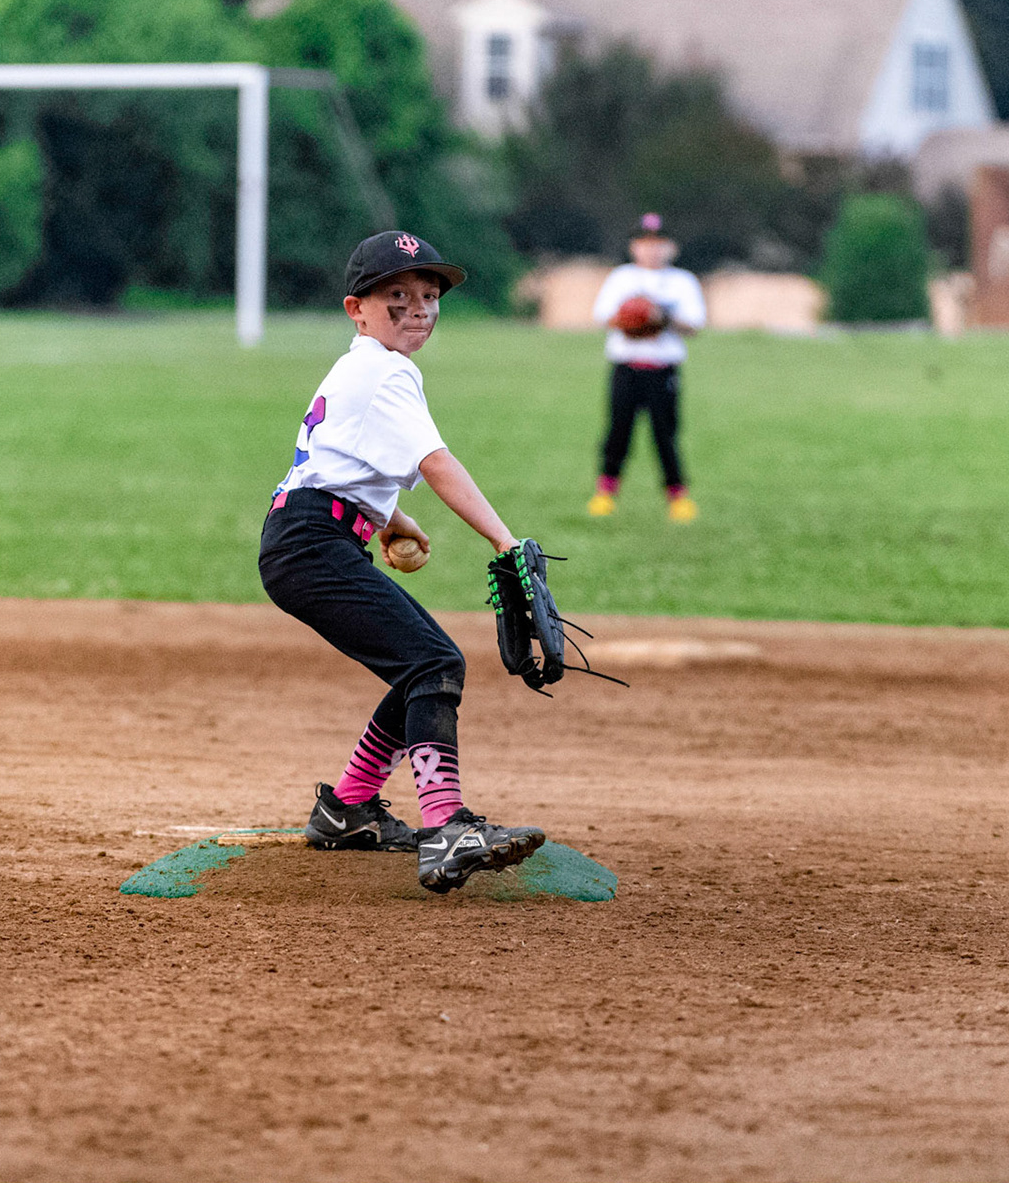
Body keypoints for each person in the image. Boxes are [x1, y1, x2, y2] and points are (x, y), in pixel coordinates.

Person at [259, 230, 547, 894]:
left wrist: (391, 519)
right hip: (311, 544)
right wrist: (505, 541)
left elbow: (338, 459)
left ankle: (346, 810)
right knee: (434, 662)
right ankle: (447, 826)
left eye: (428, 295)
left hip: (308, 537)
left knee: (418, 663)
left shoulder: (359, 367)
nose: (418, 307)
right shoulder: (387, 371)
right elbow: (436, 463)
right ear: (355, 308)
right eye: (398, 296)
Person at [587, 213, 706, 522]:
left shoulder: (682, 281)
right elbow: (604, 316)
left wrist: (661, 318)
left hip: (662, 369)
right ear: (634, 247)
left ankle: (678, 496)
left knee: (665, 434)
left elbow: (694, 325)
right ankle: (605, 493)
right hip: (626, 367)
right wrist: (634, 319)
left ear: (671, 248)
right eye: (645, 243)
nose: (652, 250)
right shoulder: (622, 278)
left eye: (659, 244)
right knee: (618, 431)